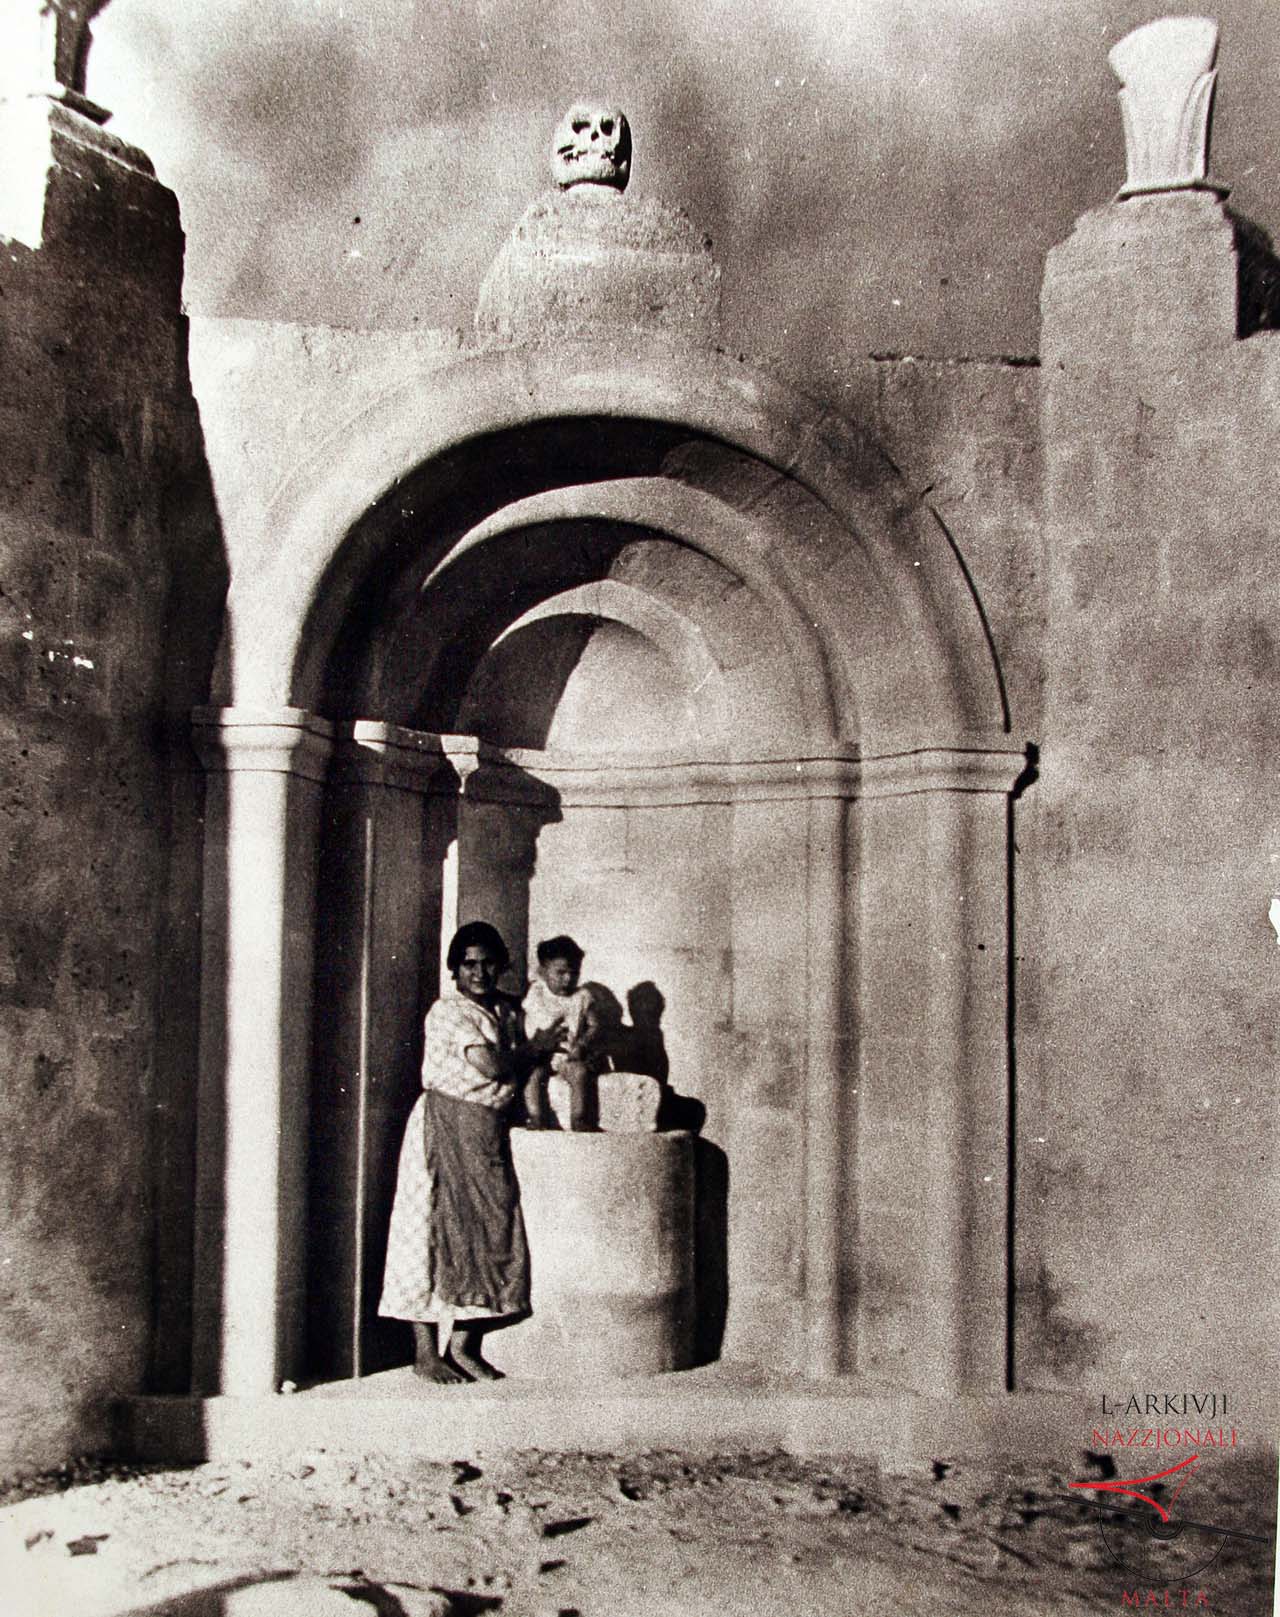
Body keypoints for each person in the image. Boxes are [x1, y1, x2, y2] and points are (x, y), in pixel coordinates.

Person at [378, 921, 557, 1383]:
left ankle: (462, 1345)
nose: (478, 972)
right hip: (443, 1129)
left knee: (490, 1232)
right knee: (426, 1232)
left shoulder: (501, 1010)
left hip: (484, 1132)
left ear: (500, 966)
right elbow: (490, 1065)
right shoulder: (449, 1011)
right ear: (455, 970)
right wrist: (534, 1049)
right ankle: (423, 1352)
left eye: (488, 963)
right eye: (469, 964)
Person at [521, 934, 609, 1130]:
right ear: (543, 971)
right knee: (532, 1075)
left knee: (579, 1073)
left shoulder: (582, 997)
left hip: (567, 1055)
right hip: (540, 1054)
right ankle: (535, 1116)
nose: (568, 979)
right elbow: (528, 1017)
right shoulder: (536, 992)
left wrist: (582, 1044)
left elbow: (596, 1025)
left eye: (574, 973)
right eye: (560, 973)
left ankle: (578, 1118)